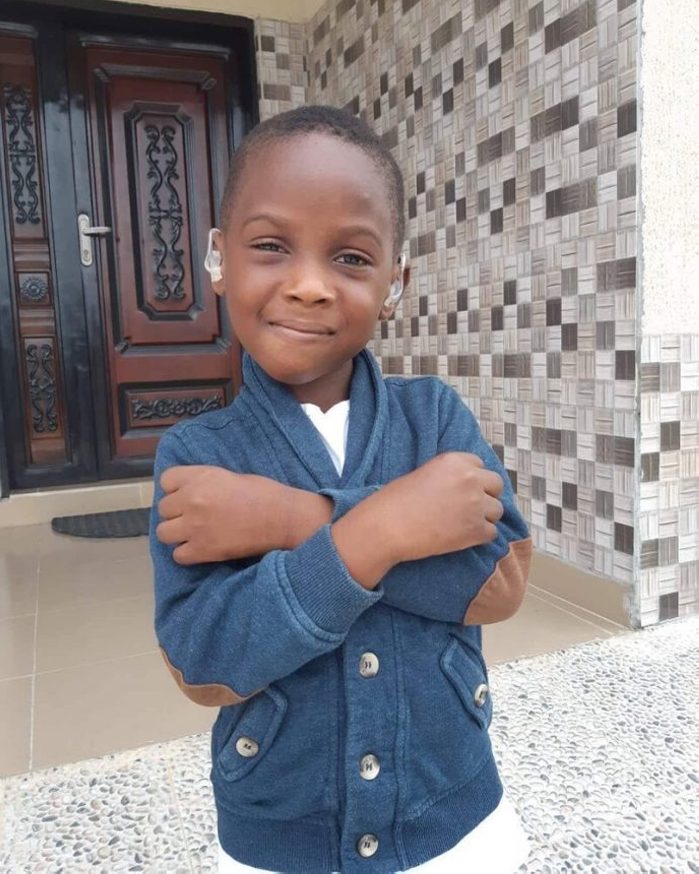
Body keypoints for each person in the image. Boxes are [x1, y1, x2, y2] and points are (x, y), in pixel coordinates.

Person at [150, 105, 533, 874]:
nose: (308, 286)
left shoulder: (434, 418)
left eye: (351, 258)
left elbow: (498, 586)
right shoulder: (197, 458)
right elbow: (203, 664)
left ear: (395, 283)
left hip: (454, 813)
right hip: (279, 835)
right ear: (218, 258)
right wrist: (391, 526)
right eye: (270, 246)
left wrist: (298, 520)